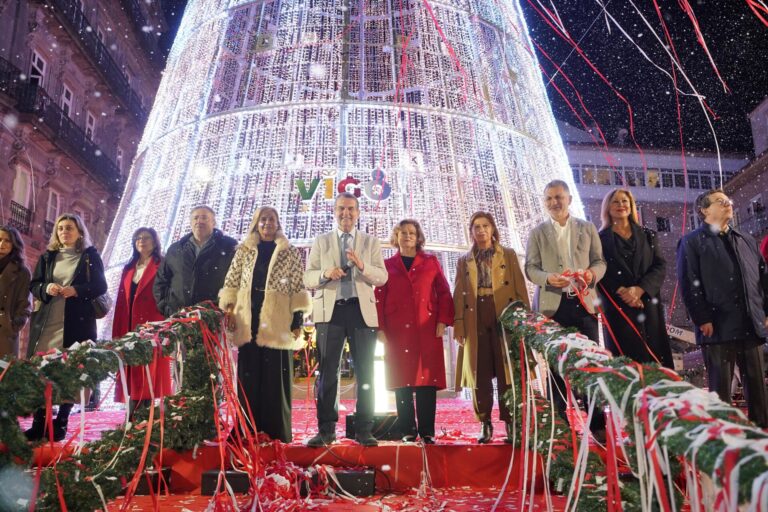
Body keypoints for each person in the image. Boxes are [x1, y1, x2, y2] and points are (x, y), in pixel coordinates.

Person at [677, 188, 768, 427]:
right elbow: (689, 283)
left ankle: (761, 432)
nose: (728, 203)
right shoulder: (692, 242)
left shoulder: (746, 239)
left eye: (728, 200)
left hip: (750, 320)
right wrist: (702, 318)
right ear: (704, 210)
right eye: (720, 201)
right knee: (721, 390)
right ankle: (721, 436)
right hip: (716, 325)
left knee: (757, 384)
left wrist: (765, 312)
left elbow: (763, 278)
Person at [219, 207, 311, 443]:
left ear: (278, 223)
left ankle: (276, 431)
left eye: (272, 219)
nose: (267, 223)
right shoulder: (244, 250)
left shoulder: (288, 252)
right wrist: (229, 309)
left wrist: (297, 319)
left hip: (278, 319)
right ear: (256, 223)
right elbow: (232, 279)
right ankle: (247, 429)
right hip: (248, 317)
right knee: (248, 377)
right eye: (263, 219)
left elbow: (297, 286)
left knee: (275, 378)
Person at [304, 192, 388, 447]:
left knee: (366, 371)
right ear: (334, 211)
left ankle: (364, 429)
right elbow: (308, 278)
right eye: (341, 208)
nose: (346, 214)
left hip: (361, 312)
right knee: (328, 371)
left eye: (351, 209)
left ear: (358, 212)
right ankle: (327, 429)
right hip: (330, 313)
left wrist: (362, 266)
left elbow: (382, 277)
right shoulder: (322, 241)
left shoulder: (370, 242)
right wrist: (326, 273)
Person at [525, 180, 606, 434]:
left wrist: (591, 275)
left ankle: (598, 425)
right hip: (552, 307)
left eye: (558, 197)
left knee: (589, 364)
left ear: (569, 199)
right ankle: (558, 425)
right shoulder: (537, 233)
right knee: (555, 366)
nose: (554, 202)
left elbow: (599, 261)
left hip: (584, 305)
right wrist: (548, 278)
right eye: (549, 198)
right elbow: (530, 268)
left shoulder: (587, 227)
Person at [26, 213, 107, 441]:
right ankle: (39, 423)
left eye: (69, 228)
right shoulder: (47, 257)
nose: (64, 232)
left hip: (77, 323)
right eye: (61, 228)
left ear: (80, 232)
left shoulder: (90, 256)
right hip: (48, 322)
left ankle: (61, 422)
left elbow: (100, 285)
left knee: (72, 371)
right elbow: (35, 285)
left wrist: (77, 290)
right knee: (43, 370)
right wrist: (47, 287)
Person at [375, 219, 454, 444]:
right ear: (396, 237)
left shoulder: (430, 262)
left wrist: (443, 320)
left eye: (412, 233)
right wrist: (380, 328)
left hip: (426, 327)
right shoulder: (387, 265)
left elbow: (445, 293)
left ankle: (427, 431)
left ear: (418, 237)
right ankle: (407, 429)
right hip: (396, 329)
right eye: (403, 233)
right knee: (402, 379)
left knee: (426, 379)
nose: (408, 236)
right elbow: (378, 297)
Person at [453, 211, 530, 444]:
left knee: (507, 372)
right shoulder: (464, 260)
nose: (481, 231)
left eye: (485, 226)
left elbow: (519, 288)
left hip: (503, 314)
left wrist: (523, 320)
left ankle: (510, 422)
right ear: (472, 231)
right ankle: (485, 423)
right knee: (480, 373)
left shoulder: (508, 255)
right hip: (475, 314)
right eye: (476, 227)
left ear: (493, 229)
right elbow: (458, 294)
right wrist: (458, 324)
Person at [597, 189, 673, 368]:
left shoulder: (649, 235)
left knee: (654, 359)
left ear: (631, 206)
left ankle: (657, 395)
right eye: (615, 202)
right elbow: (600, 270)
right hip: (618, 307)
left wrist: (639, 290)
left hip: (647, 304)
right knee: (625, 363)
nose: (621, 205)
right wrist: (623, 292)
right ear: (607, 208)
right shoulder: (599, 239)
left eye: (625, 201)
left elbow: (659, 266)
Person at [112, 227, 171, 417]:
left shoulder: (162, 264)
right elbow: (121, 301)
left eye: (146, 238)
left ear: (154, 242)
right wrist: (118, 332)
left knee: (148, 371)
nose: (141, 241)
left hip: (152, 324)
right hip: (129, 325)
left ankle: (143, 417)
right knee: (132, 371)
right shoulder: (129, 268)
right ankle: (135, 415)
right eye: (138, 238)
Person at [153, 206, 237, 317]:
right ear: (190, 222)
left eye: (204, 218)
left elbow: (236, 279)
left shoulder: (229, 246)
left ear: (213, 222)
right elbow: (161, 281)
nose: (199, 221)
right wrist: (166, 308)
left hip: (214, 318)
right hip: (178, 318)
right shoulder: (175, 249)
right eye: (195, 218)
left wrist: (226, 309)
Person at [0, 225, 31, 358]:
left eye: (7, 240)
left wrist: (13, 326)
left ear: (14, 244)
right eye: (0, 239)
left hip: (4, 332)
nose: (2, 244)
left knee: (3, 375)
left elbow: (25, 304)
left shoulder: (21, 272)